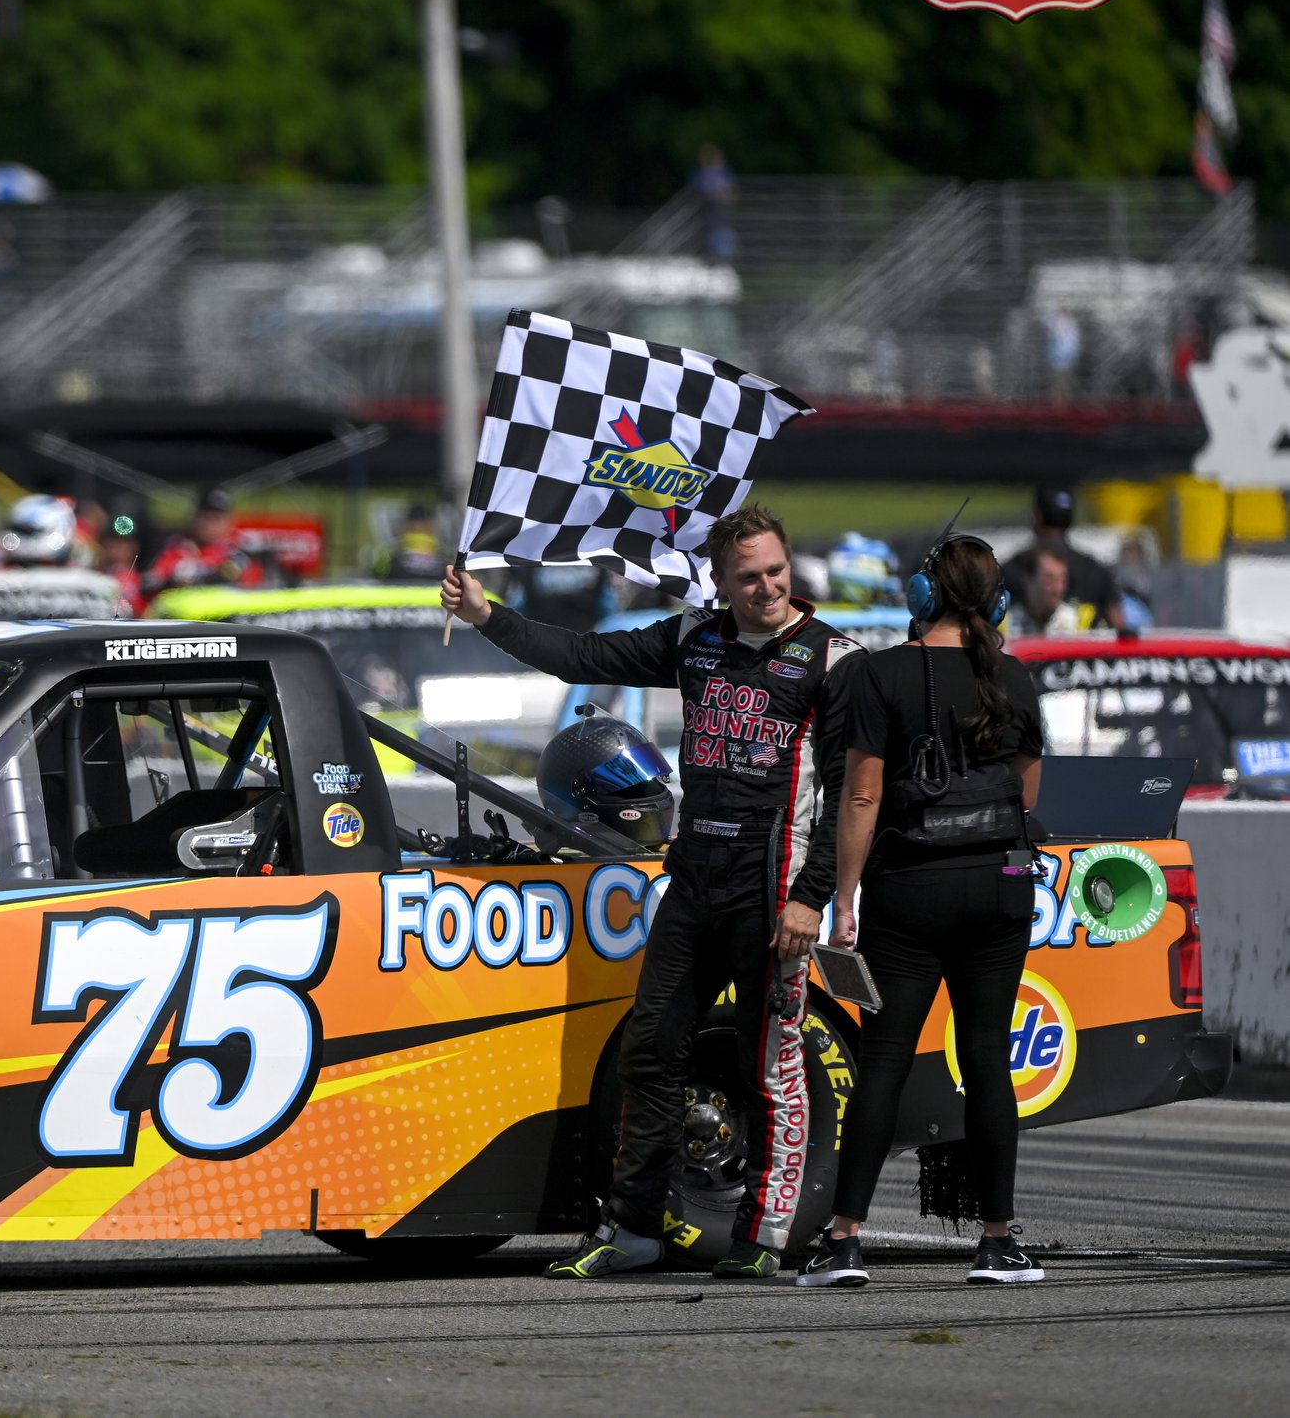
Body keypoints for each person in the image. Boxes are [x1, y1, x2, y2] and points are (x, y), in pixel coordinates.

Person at [442, 505, 859, 1280]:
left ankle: (764, 1237)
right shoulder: (693, 637)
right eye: (748, 577)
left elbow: (850, 795)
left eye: (775, 571)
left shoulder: (835, 659)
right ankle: (632, 1227)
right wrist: (483, 613)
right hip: (694, 879)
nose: (766, 587)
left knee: (769, 1062)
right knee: (650, 1049)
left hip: (773, 895)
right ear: (721, 581)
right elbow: (578, 653)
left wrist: (813, 896)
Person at [799, 534, 1045, 1287]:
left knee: (885, 1059)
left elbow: (862, 794)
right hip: (1001, 881)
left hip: (909, 888)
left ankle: (843, 1241)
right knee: (985, 1057)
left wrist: (844, 896)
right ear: (997, 604)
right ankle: (998, 1242)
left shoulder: (882, 673)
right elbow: (1026, 796)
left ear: (919, 597)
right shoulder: (1015, 677)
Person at [1004, 488, 1120, 627]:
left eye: (1061, 579)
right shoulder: (1096, 571)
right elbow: (1120, 628)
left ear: (1037, 517)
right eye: (1049, 579)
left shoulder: (1010, 570)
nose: (1057, 589)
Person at [144, 487, 265, 596]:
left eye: (217, 519)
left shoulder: (240, 549)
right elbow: (150, 583)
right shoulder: (175, 547)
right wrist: (172, 580)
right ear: (195, 517)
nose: (210, 525)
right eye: (206, 517)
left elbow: (256, 589)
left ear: (229, 521)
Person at [1008, 547, 1086, 635]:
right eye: (1049, 579)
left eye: (1063, 579)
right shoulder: (1005, 623)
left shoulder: (1081, 621)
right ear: (1027, 578)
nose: (1058, 588)